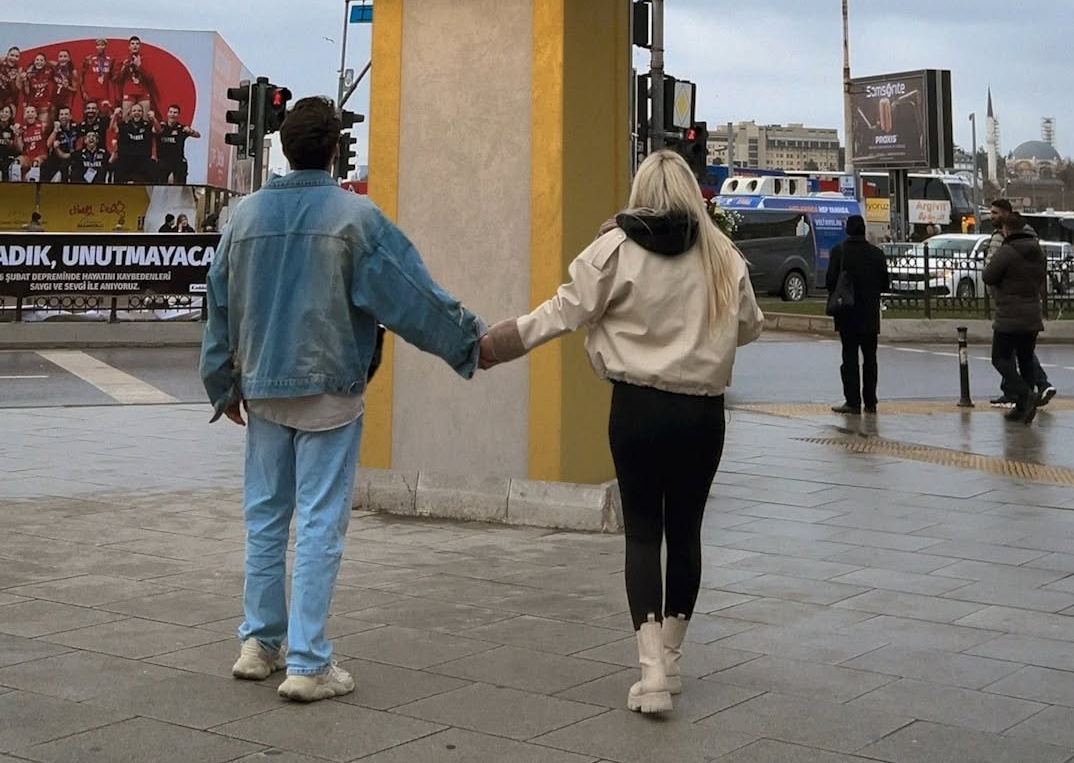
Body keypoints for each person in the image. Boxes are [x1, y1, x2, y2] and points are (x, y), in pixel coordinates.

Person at [200, 94, 485, 705]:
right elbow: (410, 295)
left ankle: (259, 643)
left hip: (262, 387)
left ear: (283, 147)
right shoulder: (355, 218)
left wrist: (222, 383)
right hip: (329, 386)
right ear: (335, 149)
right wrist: (468, 342)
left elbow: (218, 304)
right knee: (319, 522)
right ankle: (308, 662)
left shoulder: (244, 217)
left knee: (265, 517)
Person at [478, 148, 762, 718]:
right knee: (686, 533)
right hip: (702, 415)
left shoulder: (615, 248)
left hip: (637, 409)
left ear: (641, 193)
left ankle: (650, 672)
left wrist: (494, 346)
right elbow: (750, 326)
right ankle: (673, 659)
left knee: (642, 534)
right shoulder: (722, 254)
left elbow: (562, 311)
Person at [985, 198, 1055, 408]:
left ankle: (1024, 395)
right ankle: (1026, 405)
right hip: (1032, 313)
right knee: (1025, 359)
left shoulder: (1007, 250)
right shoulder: (1037, 251)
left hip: (1009, 312)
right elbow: (1041, 278)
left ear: (1006, 229)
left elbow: (988, 275)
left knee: (1000, 358)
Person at [825, 214, 891, 415]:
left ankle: (853, 402)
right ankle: (870, 401)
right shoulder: (876, 254)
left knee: (850, 358)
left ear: (847, 230)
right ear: (864, 230)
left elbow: (830, 281)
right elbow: (885, 284)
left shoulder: (839, 252)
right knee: (870, 359)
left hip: (847, 314)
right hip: (870, 314)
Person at [155, 105, 200, 186]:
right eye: (171, 112)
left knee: (182, 168)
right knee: (160, 182)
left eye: (175, 113)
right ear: (167, 114)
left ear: (178, 115)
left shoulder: (181, 128)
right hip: (163, 160)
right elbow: (154, 130)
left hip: (177, 160)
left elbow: (198, 135)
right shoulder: (161, 127)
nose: (172, 114)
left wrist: (191, 131)